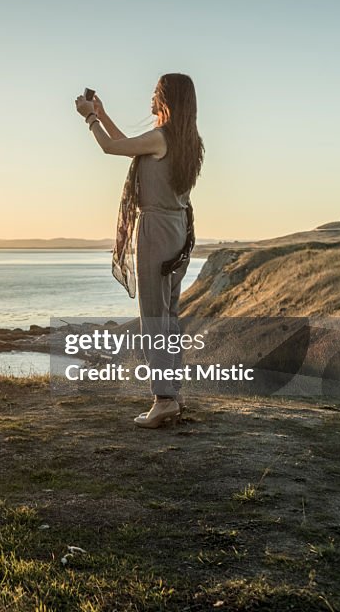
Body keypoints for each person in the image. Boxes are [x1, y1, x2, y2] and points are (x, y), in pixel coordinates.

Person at [75, 74, 204, 428]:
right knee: (169, 316)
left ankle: (162, 399)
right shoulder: (187, 141)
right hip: (179, 228)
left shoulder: (160, 139)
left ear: (166, 98)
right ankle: (172, 394)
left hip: (157, 229)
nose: (150, 96)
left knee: (152, 317)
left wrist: (89, 118)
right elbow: (129, 142)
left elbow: (110, 147)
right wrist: (102, 113)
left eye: (155, 91)